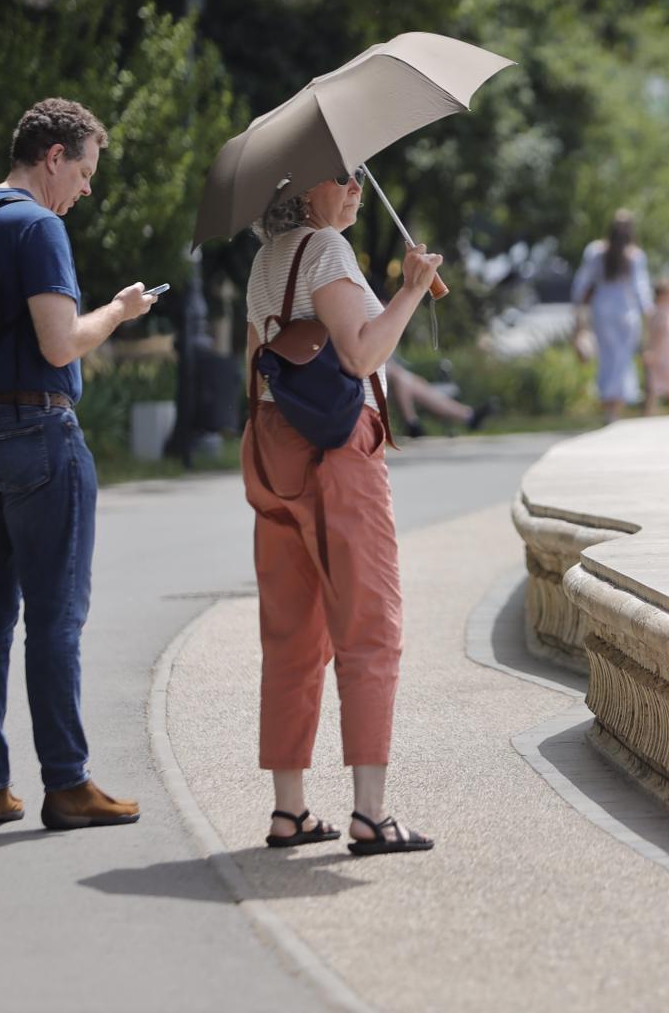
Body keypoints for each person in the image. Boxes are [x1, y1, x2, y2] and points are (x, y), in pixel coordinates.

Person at [0, 98, 156, 830]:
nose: (86, 190)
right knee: (56, 620)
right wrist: (120, 312)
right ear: (54, 156)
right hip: (36, 432)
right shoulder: (40, 225)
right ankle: (67, 784)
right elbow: (61, 343)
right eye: (85, 172)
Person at [242, 167, 437, 855]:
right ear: (300, 189)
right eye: (342, 177)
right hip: (336, 457)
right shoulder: (325, 250)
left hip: (274, 450)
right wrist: (410, 290)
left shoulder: (265, 261)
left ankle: (289, 811)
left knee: (291, 632)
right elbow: (360, 354)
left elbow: (258, 361)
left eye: (360, 176)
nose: (356, 186)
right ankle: (371, 814)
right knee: (369, 624)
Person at [572, 210, 654, 422]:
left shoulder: (595, 251)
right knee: (622, 359)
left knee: (609, 359)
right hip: (627, 313)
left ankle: (611, 407)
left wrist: (579, 314)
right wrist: (649, 315)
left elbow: (582, 284)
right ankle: (615, 407)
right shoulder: (635, 255)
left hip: (603, 311)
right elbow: (641, 290)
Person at [384, 357, 495, 438]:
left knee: (417, 384)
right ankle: (412, 424)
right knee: (401, 378)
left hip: (394, 383)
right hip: (380, 385)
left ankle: (469, 415)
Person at [642, 278, 669, 416]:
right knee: (657, 384)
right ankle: (654, 411)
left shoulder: (664, 311)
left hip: (668, 351)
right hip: (662, 352)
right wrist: (652, 351)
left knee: (668, 383)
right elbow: (660, 332)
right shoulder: (662, 312)